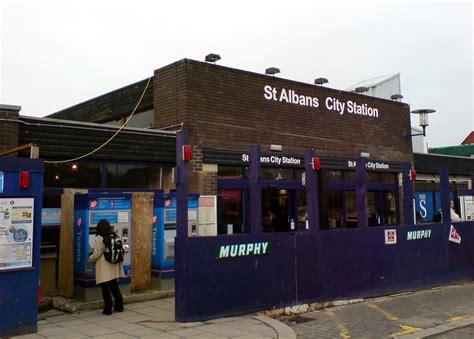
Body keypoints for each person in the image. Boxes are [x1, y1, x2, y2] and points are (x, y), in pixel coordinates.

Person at [89, 219, 125, 315]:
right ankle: (119, 306)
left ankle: (108, 309)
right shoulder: (114, 235)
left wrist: (90, 257)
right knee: (114, 286)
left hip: (104, 266)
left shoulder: (99, 238)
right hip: (113, 265)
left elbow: (97, 254)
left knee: (105, 288)